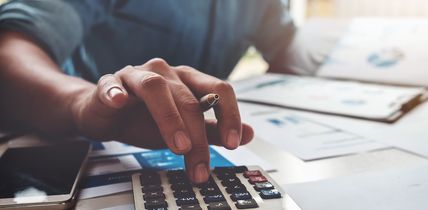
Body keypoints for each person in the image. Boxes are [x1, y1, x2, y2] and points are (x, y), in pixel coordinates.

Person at [0, 0, 313, 183]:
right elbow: (11, 46)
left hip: (188, 154)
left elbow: (290, 51)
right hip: (66, 153)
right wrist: (80, 102)